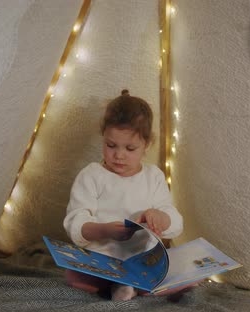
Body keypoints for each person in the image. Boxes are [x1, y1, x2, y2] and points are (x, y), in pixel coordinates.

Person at [63, 89, 188, 301]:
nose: (119, 155)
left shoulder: (153, 176)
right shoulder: (92, 175)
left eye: (130, 148)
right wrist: (103, 230)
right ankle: (128, 286)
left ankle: (133, 284)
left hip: (142, 259)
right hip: (103, 259)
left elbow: (175, 222)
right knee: (74, 275)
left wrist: (161, 217)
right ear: (103, 138)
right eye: (111, 145)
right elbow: (75, 221)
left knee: (184, 268)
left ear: (146, 145)